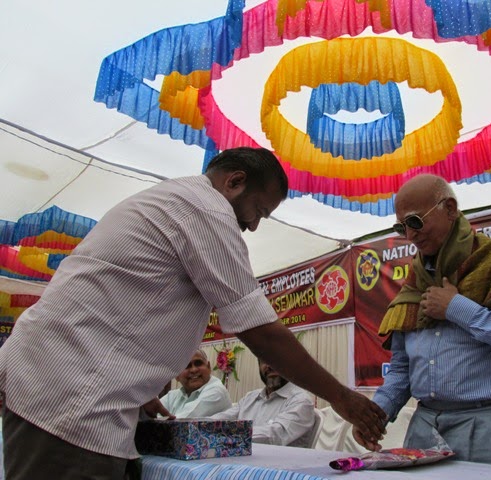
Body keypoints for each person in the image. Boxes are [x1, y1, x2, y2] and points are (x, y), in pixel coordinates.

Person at [0, 147, 386, 480]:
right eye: (258, 210)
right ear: (235, 182)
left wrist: (138, 389)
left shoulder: (174, 199)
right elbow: (260, 331)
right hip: (72, 401)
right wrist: (341, 398)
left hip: (60, 384)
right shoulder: (206, 210)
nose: (253, 225)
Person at [353, 174, 491, 467]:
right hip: (425, 428)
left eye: (415, 221)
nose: (410, 235)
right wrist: (376, 414)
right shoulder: (416, 284)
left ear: (449, 209)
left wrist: (457, 308)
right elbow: (402, 369)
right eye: (401, 227)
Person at [212, 358, 315, 447]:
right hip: (241, 460)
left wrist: (224, 434)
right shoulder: (250, 397)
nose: (270, 365)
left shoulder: (301, 401)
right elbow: (222, 418)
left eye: (278, 359)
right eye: (264, 360)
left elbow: (274, 436)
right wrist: (203, 427)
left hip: (280, 463)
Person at [159, 349, 231, 418]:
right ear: (176, 375)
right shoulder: (171, 397)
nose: (194, 370)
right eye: (186, 366)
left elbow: (182, 422)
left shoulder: (216, 392)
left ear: (209, 367)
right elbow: (153, 417)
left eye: (198, 363)